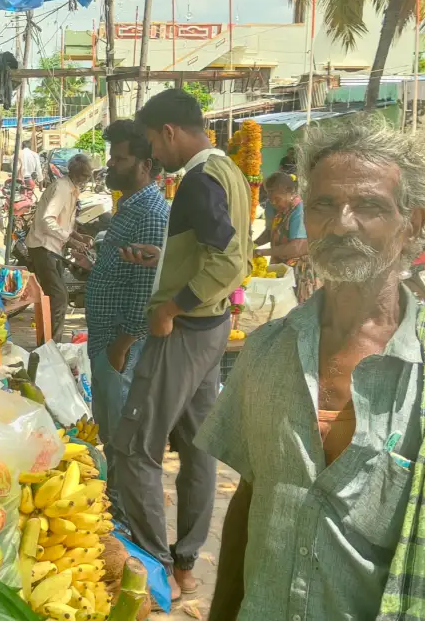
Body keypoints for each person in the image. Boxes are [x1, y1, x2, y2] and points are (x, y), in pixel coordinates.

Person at [198, 116, 425, 621]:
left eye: (369, 206)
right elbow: (253, 496)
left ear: (412, 223)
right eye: (324, 205)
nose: (341, 223)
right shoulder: (268, 352)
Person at [114, 89, 252, 599]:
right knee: (198, 445)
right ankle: (187, 564)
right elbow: (219, 250)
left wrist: (171, 306)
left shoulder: (198, 177)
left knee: (134, 447)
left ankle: (155, 568)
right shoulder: (227, 170)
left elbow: (228, 261)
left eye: (152, 142)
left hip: (186, 329)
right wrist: (163, 260)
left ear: (169, 132)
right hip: (211, 327)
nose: (154, 154)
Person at [83, 119, 169, 526]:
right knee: (112, 433)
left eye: (120, 159)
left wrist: (123, 342)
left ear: (145, 164)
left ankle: (127, 521)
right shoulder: (129, 207)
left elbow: (145, 286)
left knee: (124, 440)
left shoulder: (150, 212)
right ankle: (115, 511)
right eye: (111, 158)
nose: (111, 166)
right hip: (107, 340)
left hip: (121, 345)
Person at [24, 153, 94, 341]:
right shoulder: (62, 189)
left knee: (55, 296)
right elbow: (48, 221)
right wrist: (71, 240)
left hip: (52, 247)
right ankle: (50, 345)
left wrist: (76, 236)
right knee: (59, 296)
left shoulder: (70, 188)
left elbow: (62, 222)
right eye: (86, 177)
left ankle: (49, 342)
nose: (86, 181)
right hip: (43, 246)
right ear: (80, 176)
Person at [255, 171, 320, 304]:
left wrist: (261, 252)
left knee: (296, 305)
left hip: (299, 270)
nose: (273, 202)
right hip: (281, 264)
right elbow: (270, 232)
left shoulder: (299, 209)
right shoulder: (272, 206)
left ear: (290, 192)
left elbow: (297, 247)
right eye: (270, 198)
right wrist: (252, 244)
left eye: (277, 199)